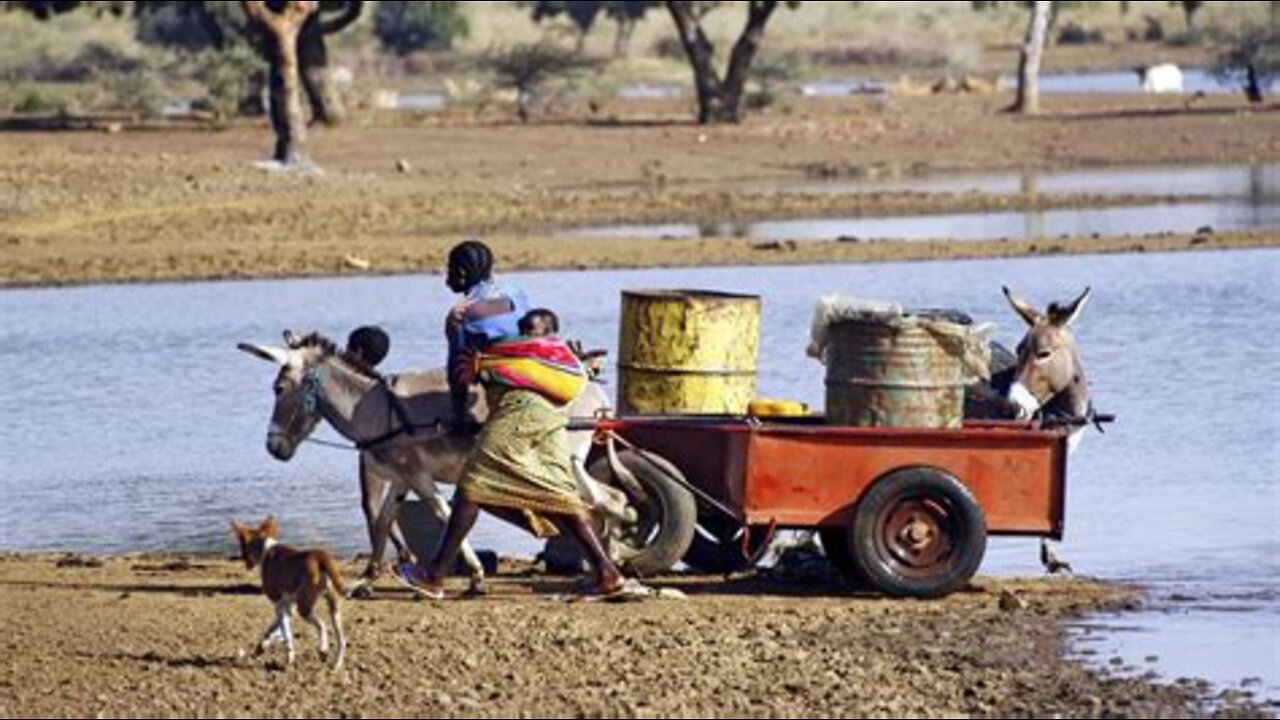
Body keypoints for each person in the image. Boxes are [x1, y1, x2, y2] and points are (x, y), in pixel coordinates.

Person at [395, 263, 624, 598]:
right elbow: (520, 336)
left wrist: (459, 329)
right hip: (549, 419)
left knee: (472, 484)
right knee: (559, 492)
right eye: (524, 329)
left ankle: (433, 575)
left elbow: (466, 366)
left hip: (519, 413)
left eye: (533, 331)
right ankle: (608, 573)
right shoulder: (516, 298)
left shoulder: (486, 329)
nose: (525, 335)